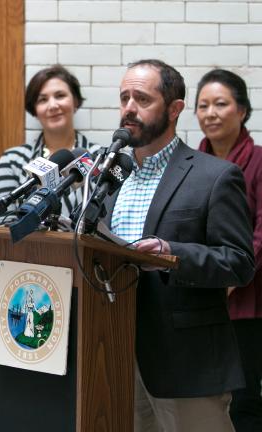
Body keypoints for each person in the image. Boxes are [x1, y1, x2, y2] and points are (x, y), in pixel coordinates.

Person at [105, 59, 254, 432]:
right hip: (114, 352)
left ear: (174, 109)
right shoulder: (108, 176)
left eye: (141, 98)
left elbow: (239, 262)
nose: (129, 108)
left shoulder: (214, 175)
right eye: (124, 97)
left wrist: (172, 255)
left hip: (186, 362)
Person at [195, 69, 262, 432]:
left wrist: (231, 276)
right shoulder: (190, 164)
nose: (211, 113)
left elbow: (260, 233)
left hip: (248, 301)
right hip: (202, 297)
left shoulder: (260, 161)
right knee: (206, 399)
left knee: (245, 398)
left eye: (221, 104)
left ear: (243, 111)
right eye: (203, 105)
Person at [0, 65, 98, 224]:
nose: (53, 106)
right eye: (43, 99)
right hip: (27, 249)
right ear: (35, 109)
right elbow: (2, 223)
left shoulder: (98, 157)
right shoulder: (13, 160)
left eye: (60, 96)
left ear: (75, 101)